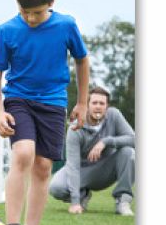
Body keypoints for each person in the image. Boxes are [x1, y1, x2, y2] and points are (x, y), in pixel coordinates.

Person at [0, 0, 89, 225]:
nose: (30, 18)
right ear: (16, 3)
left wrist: (81, 103)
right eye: (24, 11)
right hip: (19, 99)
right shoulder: (7, 30)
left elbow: (82, 61)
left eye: (37, 12)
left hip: (54, 103)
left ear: (52, 2)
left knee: (43, 167)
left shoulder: (66, 25)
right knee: (22, 154)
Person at [49, 86, 135, 216]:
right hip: (82, 170)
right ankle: (83, 195)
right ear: (87, 105)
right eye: (94, 103)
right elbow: (73, 167)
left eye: (102, 103)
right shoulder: (75, 128)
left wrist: (106, 141)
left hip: (105, 169)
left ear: (107, 106)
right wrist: (75, 202)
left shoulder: (114, 115)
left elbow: (134, 139)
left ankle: (122, 202)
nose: (98, 106)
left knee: (129, 153)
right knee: (55, 187)